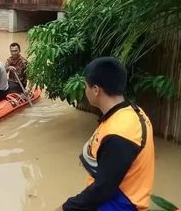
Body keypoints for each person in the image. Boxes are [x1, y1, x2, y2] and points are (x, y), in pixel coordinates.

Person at [59, 57, 154, 211]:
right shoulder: (133, 111)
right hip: (126, 193)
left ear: (96, 90)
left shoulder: (119, 133)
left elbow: (102, 190)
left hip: (121, 204)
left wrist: (66, 207)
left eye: (86, 86)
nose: (85, 90)